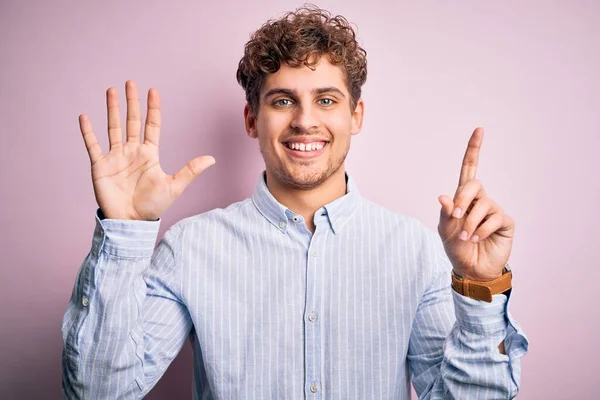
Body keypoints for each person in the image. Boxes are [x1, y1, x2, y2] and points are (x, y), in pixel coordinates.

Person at [61, 6, 528, 399]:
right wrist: (124, 232)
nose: (305, 121)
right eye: (283, 101)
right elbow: (101, 391)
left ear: (355, 115)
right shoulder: (190, 247)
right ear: (251, 118)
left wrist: (479, 287)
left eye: (326, 99)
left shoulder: (417, 249)